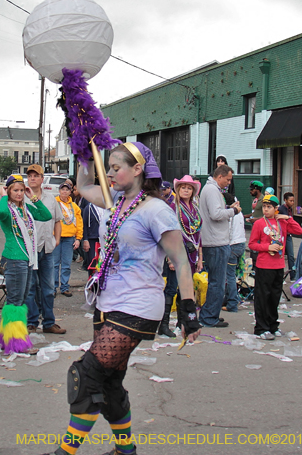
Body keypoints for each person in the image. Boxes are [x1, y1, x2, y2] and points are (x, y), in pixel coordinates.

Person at [44, 141, 200, 455]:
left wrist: (188, 310)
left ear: (138, 169)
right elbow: (85, 184)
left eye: (117, 168)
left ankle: (66, 451)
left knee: (85, 374)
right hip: (107, 302)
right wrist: (84, 152)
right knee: (109, 382)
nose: (111, 173)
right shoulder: (114, 201)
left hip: (140, 304)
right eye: (110, 167)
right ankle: (125, 451)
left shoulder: (156, 210)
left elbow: (182, 261)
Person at [0, 174, 52, 354]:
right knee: (16, 301)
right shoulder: (8, 210)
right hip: (14, 258)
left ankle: (9, 340)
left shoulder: (26, 209)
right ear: (9, 191)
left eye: (21, 190)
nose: (19, 194)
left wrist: (32, 196)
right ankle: (16, 343)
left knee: (19, 300)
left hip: (27, 258)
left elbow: (46, 215)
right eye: (15, 190)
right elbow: (0, 213)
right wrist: (4, 196)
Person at [248, 194, 302, 340]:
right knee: (262, 297)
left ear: (276, 208)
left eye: (269, 207)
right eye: (264, 207)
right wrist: (267, 247)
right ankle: (261, 327)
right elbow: (252, 244)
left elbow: (299, 231)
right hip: (264, 265)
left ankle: (273, 325)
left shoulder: (282, 222)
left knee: (274, 297)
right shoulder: (259, 223)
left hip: (278, 264)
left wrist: (288, 218)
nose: (266, 210)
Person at [24, 164, 66, 335]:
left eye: (36, 176)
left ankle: (49, 322)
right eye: (30, 176)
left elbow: (57, 220)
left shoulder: (51, 199)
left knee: (48, 288)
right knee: (30, 288)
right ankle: (31, 321)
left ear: (42, 179)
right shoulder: (22, 198)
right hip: (29, 251)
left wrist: (57, 239)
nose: (33, 178)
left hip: (47, 249)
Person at [159, 175, 203, 337]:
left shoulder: (195, 209)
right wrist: (170, 257)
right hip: (176, 253)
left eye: (189, 187)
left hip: (191, 254)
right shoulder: (172, 207)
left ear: (193, 191)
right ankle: (163, 326)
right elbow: (167, 232)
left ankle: (182, 322)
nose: (186, 190)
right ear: (178, 189)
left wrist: (200, 255)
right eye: (183, 187)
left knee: (186, 289)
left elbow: (198, 233)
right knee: (171, 288)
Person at [198, 164, 241, 328]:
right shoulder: (212, 190)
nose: (229, 183)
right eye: (228, 179)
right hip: (216, 242)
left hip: (214, 241)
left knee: (216, 281)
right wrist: (233, 211)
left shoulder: (210, 190)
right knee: (217, 282)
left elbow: (214, 212)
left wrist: (228, 208)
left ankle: (211, 313)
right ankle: (209, 317)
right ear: (220, 176)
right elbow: (216, 214)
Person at [54, 181, 83, 298]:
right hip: (56, 237)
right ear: (59, 191)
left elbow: (79, 223)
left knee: (66, 264)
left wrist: (78, 238)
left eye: (67, 190)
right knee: (54, 264)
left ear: (70, 192)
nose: (64, 192)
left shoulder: (74, 207)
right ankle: (53, 287)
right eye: (62, 189)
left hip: (69, 238)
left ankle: (64, 287)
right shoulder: (54, 203)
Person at [224, 193, 246, 313]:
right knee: (232, 275)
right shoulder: (240, 213)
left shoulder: (231, 214)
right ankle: (228, 299)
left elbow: (228, 231)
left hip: (232, 245)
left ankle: (232, 303)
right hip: (241, 244)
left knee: (230, 276)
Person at [80, 196, 102, 276]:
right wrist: (85, 239)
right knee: (92, 262)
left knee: (103, 262)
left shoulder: (106, 208)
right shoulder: (89, 208)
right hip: (92, 238)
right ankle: (92, 282)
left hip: (104, 239)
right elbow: (84, 224)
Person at [278, 192, 298, 275]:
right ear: (285, 200)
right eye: (290, 201)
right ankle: (281, 275)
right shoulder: (281, 209)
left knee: (291, 255)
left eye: (293, 201)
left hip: (289, 234)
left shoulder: (290, 209)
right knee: (281, 255)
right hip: (282, 235)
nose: (292, 203)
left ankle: (292, 275)